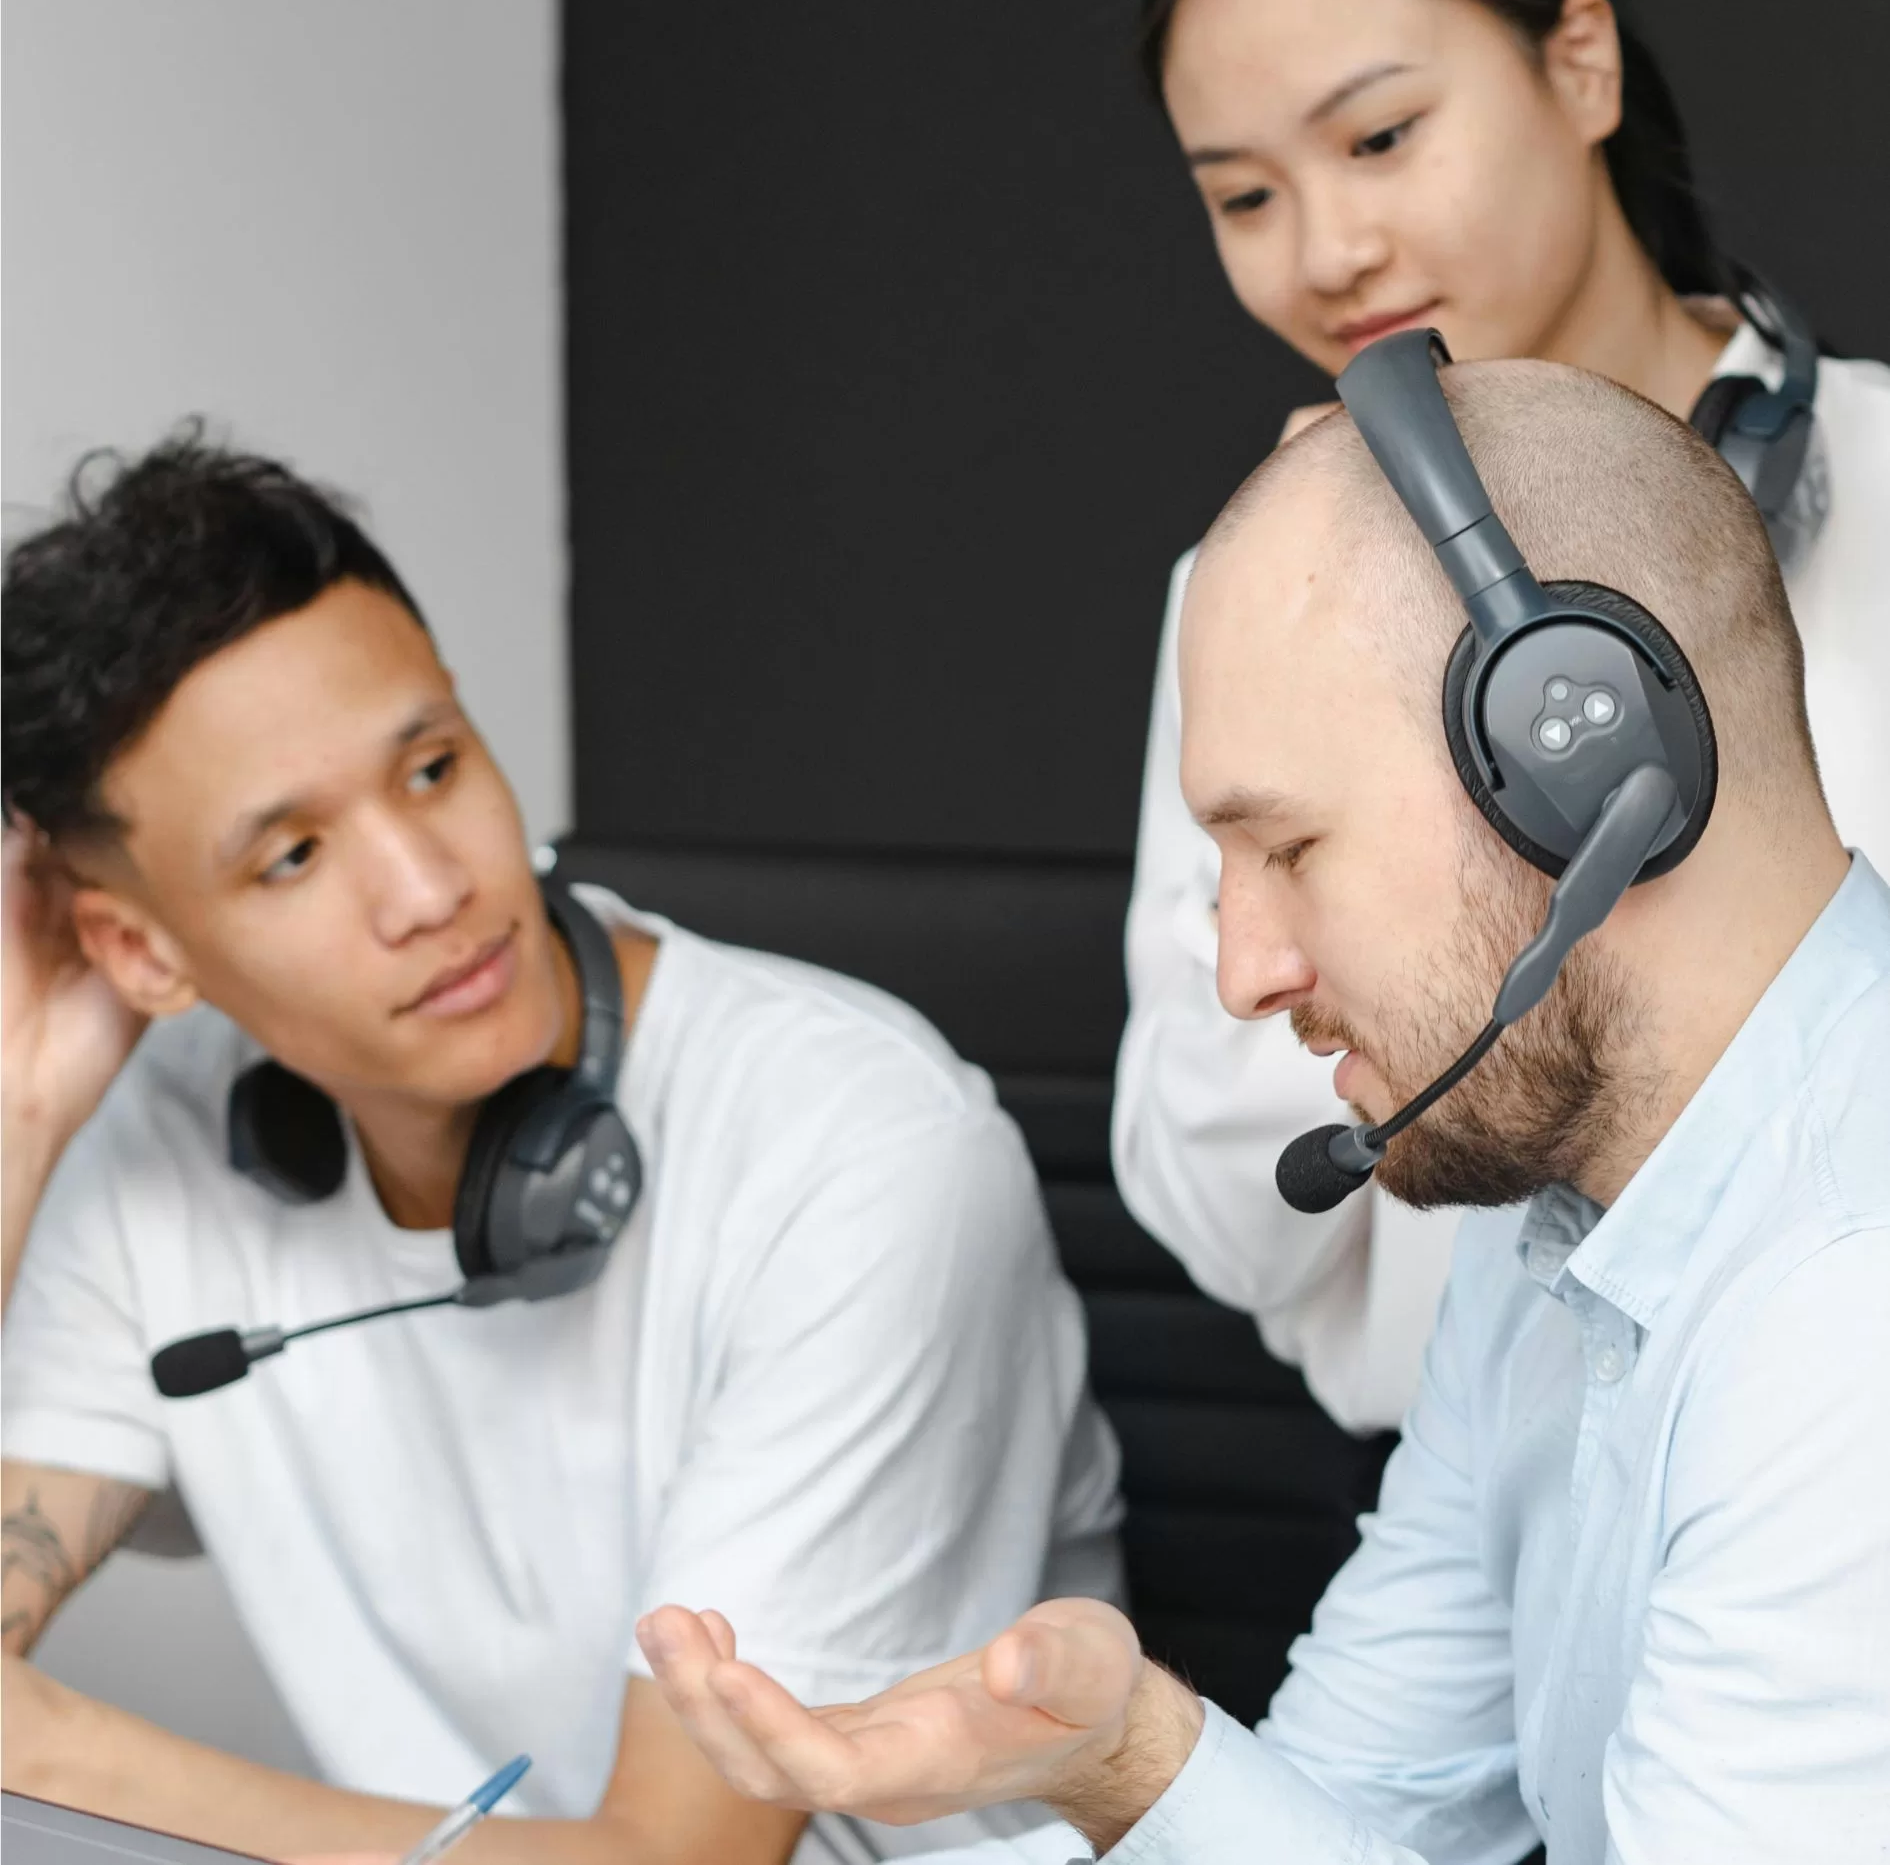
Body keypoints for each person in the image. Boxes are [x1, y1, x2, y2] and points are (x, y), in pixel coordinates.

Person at [636, 359, 1890, 1860]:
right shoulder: (1561, 1213)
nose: (1239, 971)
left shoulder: (1844, 1310)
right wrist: (1113, 1763)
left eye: (1284, 844)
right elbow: (1368, 1805)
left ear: (1580, 769)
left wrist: (1148, 1760)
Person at [0, 436, 1123, 1865]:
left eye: (430, 766)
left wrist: (57, 1753)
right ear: (138, 948)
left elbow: (686, 1859)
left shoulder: (864, 1146)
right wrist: (22, 1110)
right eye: (291, 856)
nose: (431, 886)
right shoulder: (164, 1138)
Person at [1113, 0, 1890, 1432]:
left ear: (1579, 66)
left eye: (1382, 137)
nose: (1328, 252)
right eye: (1242, 196)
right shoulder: (1251, 607)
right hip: (1468, 1544)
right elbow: (1233, 1228)